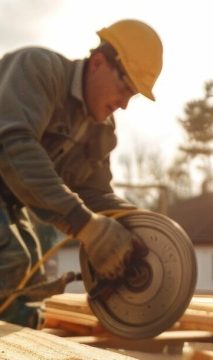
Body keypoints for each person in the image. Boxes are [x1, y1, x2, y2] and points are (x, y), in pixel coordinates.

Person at [0, 19, 163, 328]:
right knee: (11, 259)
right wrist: (87, 225)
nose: (126, 104)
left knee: (29, 277)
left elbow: (96, 195)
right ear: (98, 63)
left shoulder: (100, 130)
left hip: (7, 199)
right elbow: (14, 147)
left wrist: (136, 226)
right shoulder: (39, 69)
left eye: (134, 95)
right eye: (124, 87)